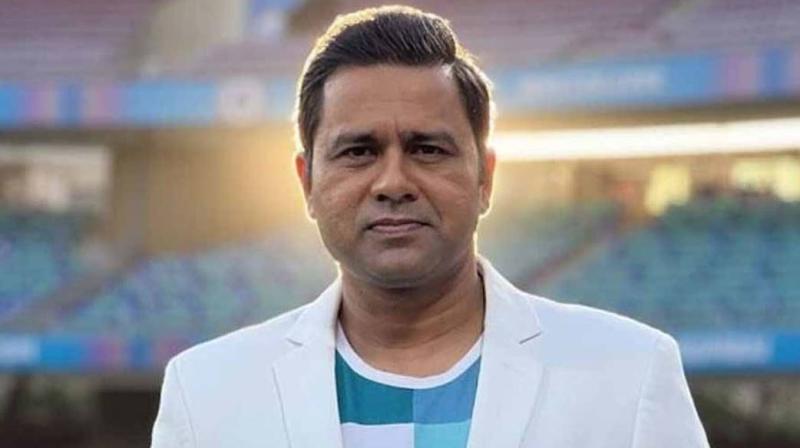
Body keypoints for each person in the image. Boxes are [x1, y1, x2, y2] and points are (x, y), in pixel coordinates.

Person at [151, 6, 709, 448]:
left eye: (427, 149)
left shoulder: (629, 373)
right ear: (307, 182)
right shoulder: (207, 394)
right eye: (358, 151)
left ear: (485, 177)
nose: (393, 182)